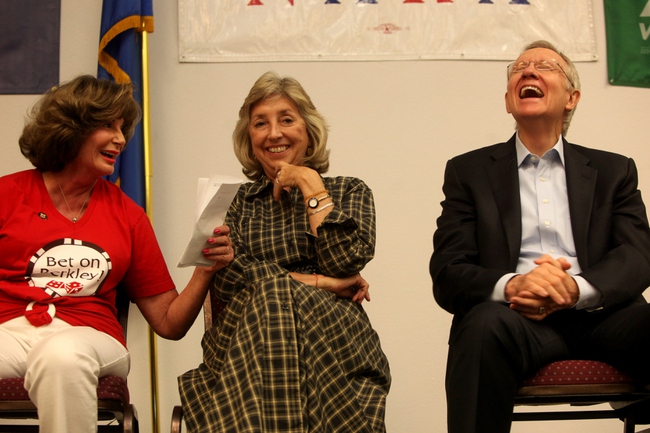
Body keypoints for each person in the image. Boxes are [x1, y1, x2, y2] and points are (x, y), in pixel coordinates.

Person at [430, 40, 650, 433]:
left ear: (572, 98)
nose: (528, 71)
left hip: (605, 316)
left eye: (545, 66)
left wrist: (574, 289)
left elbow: (637, 256)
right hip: (515, 321)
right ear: (508, 101)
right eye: (520, 67)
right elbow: (449, 272)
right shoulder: (468, 172)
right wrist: (516, 285)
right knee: (480, 327)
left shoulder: (614, 170)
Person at [0, 75, 233, 433]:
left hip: (90, 335)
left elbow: (169, 323)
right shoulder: (8, 194)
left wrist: (205, 270)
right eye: (108, 126)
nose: (121, 139)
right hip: (10, 330)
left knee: (61, 355)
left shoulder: (128, 215)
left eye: (122, 128)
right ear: (71, 129)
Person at [178, 71, 391, 432]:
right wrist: (326, 283)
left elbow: (346, 259)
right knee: (271, 297)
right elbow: (233, 282)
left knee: (273, 292)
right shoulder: (234, 202)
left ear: (308, 130)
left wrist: (310, 184)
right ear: (250, 137)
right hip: (242, 345)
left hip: (336, 342)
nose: (274, 133)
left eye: (286, 120)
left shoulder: (351, 191)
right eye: (261, 123)